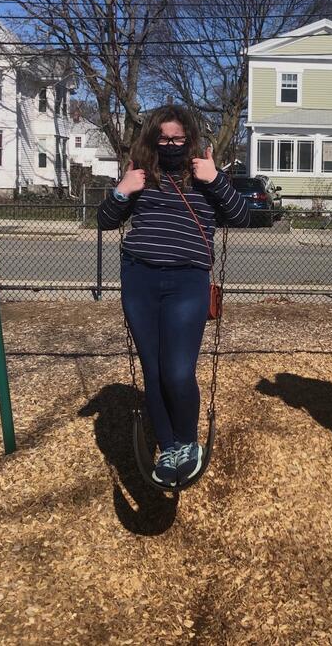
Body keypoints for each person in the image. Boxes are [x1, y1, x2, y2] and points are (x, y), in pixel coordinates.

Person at [97, 105, 250, 487]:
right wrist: (122, 189)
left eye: (177, 138)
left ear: (190, 138)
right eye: (163, 138)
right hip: (140, 279)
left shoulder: (205, 173)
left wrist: (215, 179)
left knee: (177, 371)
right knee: (153, 370)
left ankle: (186, 442)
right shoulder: (141, 175)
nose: (170, 145)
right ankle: (167, 447)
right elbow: (105, 221)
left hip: (187, 282)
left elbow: (245, 216)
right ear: (152, 139)